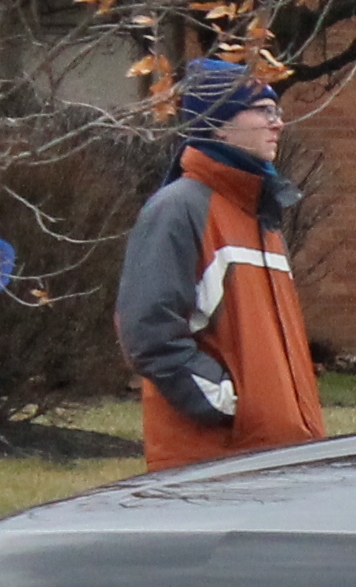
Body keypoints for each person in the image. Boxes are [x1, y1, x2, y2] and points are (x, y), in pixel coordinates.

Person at [115, 58, 326, 472]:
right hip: (214, 471)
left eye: (276, 111)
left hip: (279, 464)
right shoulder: (179, 210)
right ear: (218, 124)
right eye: (263, 111)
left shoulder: (261, 217)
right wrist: (232, 403)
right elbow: (148, 333)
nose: (277, 123)